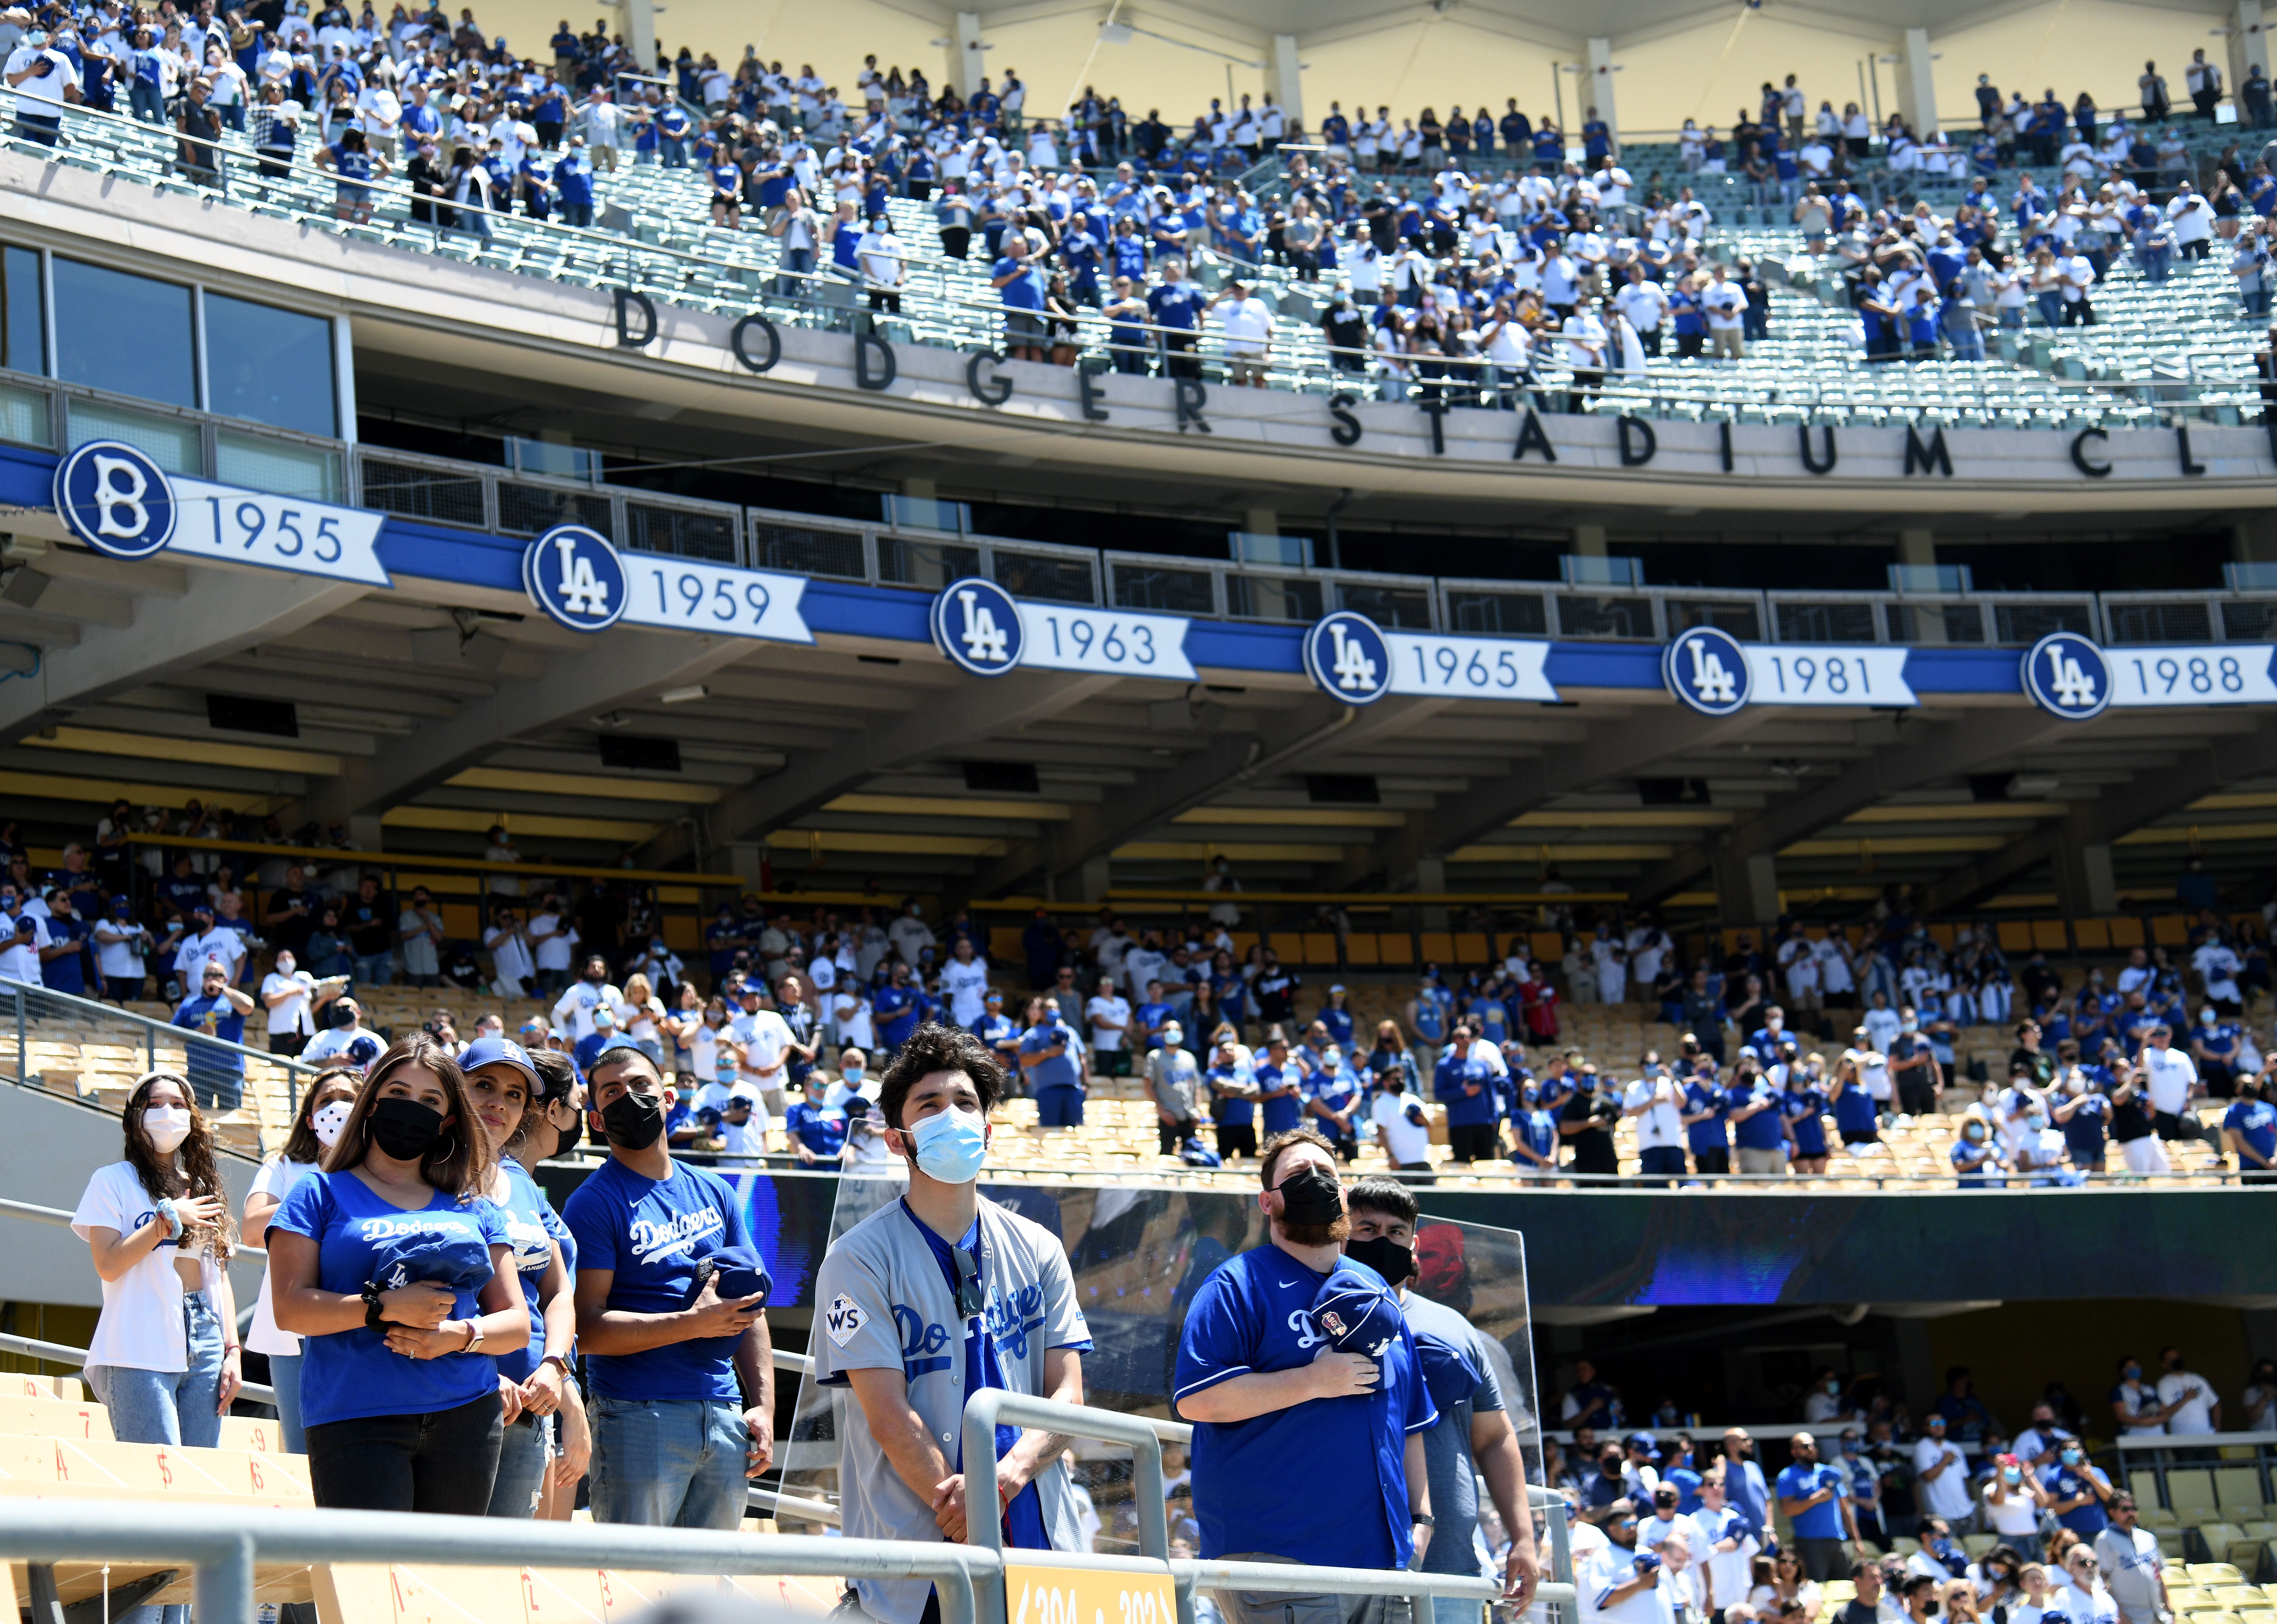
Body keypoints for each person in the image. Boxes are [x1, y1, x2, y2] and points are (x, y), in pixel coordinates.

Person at [814, 1023, 1094, 1624]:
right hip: (921, 1552)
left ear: (988, 1131)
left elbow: (1067, 1394)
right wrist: (966, 1513)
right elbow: (888, 1417)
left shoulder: (1039, 1246)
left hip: (1036, 1543)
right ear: (897, 1139)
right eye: (930, 1105)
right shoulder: (856, 1258)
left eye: (966, 1103)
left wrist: (1004, 1481)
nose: (952, 1116)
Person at [1174, 1127, 1435, 1624]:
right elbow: (1197, 1398)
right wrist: (1312, 1381)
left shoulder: (1376, 1289)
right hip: (1282, 1559)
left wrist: (1420, 1521)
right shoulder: (1235, 1283)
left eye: (1326, 1175)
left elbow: (1410, 1422)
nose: (1314, 1182)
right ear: (1267, 1202)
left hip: (1386, 1566)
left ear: (1343, 1196)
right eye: (1297, 1175)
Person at [268, 1033, 529, 1513]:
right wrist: (381, 1307)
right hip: (356, 1417)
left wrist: (457, 1335)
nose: (412, 1108)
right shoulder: (316, 1194)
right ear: (370, 1105)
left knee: (446, 1583)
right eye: (398, 1095)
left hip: (467, 1416)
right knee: (370, 1582)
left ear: (448, 1119)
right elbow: (290, 1310)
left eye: (430, 1100)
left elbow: (515, 1323)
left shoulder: (476, 1206)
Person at [564, 1041, 775, 1528]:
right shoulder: (592, 1203)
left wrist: (762, 1404)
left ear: (669, 1098)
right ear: (597, 1120)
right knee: (635, 1587)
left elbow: (751, 1307)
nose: (629, 1098)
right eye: (612, 1093)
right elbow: (588, 1331)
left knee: (707, 1593)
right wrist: (692, 1324)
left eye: (641, 1085)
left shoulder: (717, 1191)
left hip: (724, 1413)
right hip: (638, 1416)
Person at [1344, 1179, 1541, 1621]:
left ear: (1413, 1244)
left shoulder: (1454, 1327)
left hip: (1451, 1573)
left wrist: (1523, 1538)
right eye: (1367, 1229)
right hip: (1344, 1570)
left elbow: (1493, 1437)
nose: (1382, 1241)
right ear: (1343, 1233)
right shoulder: (1313, 1318)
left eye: (1395, 1232)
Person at [72, 1070, 242, 1514]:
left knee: (201, 1485)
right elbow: (108, 1263)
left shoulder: (202, 1186)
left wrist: (233, 1349)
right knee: (156, 1484)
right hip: (137, 1342)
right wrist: (167, 1220)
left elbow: (217, 1273)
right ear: (135, 1117)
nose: (169, 1113)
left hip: (205, 1339)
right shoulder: (112, 1180)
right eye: (155, 1104)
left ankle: (192, 1582)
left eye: (179, 1104)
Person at [461, 1036, 581, 1519]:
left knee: (512, 1573)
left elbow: (557, 1291)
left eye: (514, 1095)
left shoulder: (523, 1184)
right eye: (484, 1086)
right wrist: (483, 1375)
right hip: (463, 1402)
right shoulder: (433, 1175)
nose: (499, 1103)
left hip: (532, 1407)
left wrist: (555, 1366)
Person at [241, 1066, 362, 1453]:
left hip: (358, 1323)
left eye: (348, 1098)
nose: (337, 1107)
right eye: (326, 1100)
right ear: (311, 1119)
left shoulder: (381, 1172)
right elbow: (251, 1229)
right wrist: (319, 1198)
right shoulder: (284, 1166)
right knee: (302, 1451)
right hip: (291, 1335)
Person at [171, 958, 255, 1111]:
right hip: (199, 1070)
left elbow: (249, 1007)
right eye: (207, 975)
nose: (211, 979)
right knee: (198, 1118)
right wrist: (197, 1032)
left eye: (217, 975)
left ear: (225, 979)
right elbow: (173, 1033)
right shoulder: (190, 1004)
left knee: (231, 1118)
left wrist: (223, 990)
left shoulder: (231, 1000)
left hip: (230, 1069)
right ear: (202, 979)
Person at [1777, 1430, 1857, 1580]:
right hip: (1810, 1543)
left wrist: (1857, 1540)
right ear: (1794, 1451)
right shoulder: (1787, 1476)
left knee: (1844, 1587)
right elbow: (1787, 1510)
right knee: (1817, 1588)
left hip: (1837, 1540)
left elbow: (1845, 1509)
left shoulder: (1829, 1473)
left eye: (1814, 1445)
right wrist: (1814, 1500)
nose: (1811, 1449)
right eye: (1806, 1447)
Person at [2093, 1494, 2171, 1624]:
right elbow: (2103, 1586)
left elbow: (2159, 1576)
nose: (2131, 1513)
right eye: (2125, 1509)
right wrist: (2122, 1619)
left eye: (2134, 1509)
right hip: (2132, 1618)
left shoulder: (2148, 1538)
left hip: (2160, 1616)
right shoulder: (2104, 1540)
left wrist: (2170, 1609)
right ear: (2112, 1512)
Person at [1913, 1413, 1974, 1533]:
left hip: (1966, 1511)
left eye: (1942, 1423)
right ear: (1925, 1428)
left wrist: (1971, 1503)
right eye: (1934, 1424)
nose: (1939, 1427)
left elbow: (1965, 1479)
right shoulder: (1922, 1448)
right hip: (1942, 1514)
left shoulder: (1955, 1448)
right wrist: (1945, 1461)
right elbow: (1928, 1477)